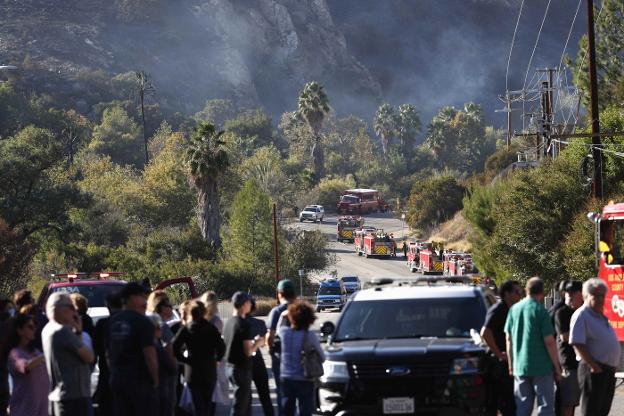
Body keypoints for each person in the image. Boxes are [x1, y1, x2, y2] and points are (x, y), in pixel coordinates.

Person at [504, 277, 562, 416]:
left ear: (526, 290)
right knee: (545, 408)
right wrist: (556, 366)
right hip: (541, 367)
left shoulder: (514, 309)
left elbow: (508, 338)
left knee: (523, 407)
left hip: (520, 366)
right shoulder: (540, 311)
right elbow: (549, 341)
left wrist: (511, 364)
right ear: (542, 293)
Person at [569, 278, 621, 416]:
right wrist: (594, 366)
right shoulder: (582, 315)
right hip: (592, 369)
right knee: (592, 410)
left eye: (602, 296)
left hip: (606, 370)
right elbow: (577, 343)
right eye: (596, 295)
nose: (600, 299)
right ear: (586, 296)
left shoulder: (601, 316)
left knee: (602, 410)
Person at [107, 282, 159, 416]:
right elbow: (150, 355)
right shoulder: (142, 322)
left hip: (117, 379)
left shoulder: (113, 321)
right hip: (139, 383)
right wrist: (155, 379)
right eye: (142, 296)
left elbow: (108, 353)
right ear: (132, 298)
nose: (145, 300)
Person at [41, 292, 95, 416]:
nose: (75, 312)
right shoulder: (63, 331)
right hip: (74, 397)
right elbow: (89, 357)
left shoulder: (47, 329)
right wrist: (79, 332)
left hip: (58, 395)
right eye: (71, 307)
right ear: (59, 309)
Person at [172, 299, 225, 416]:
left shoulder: (186, 329)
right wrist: (217, 360)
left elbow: (174, 347)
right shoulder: (211, 329)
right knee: (207, 404)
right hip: (209, 369)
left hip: (193, 370)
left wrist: (185, 360)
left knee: (198, 405)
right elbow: (222, 347)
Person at [480, 280, 522, 416]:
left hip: (511, 362)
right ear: (506, 294)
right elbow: (485, 332)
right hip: (500, 365)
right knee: (504, 403)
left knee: (511, 403)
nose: (520, 294)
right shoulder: (498, 310)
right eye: (516, 291)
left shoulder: (514, 310)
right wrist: (498, 353)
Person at [278, 300, 325, 416]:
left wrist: (284, 314)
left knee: (287, 410)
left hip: (287, 378)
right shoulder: (310, 336)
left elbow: (279, 326)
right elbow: (322, 357)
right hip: (305, 379)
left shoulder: (284, 333)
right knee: (305, 411)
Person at [223, 291, 265, 416]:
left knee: (245, 406)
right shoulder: (243, 324)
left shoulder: (228, 322)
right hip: (241, 369)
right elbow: (248, 351)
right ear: (242, 305)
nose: (250, 305)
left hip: (230, 367)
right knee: (240, 408)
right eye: (248, 302)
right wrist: (258, 343)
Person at [7, 313, 49, 416]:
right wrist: (46, 355)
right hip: (23, 410)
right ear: (19, 330)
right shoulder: (14, 353)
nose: (34, 329)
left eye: (35, 326)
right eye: (30, 327)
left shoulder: (36, 352)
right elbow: (25, 367)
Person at [266, 279, 296, 415]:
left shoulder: (277, 312)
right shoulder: (300, 310)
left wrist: (270, 349)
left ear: (279, 294)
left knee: (282, 391)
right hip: (299, 356)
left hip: (281, 356)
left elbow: (270, 335)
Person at [553, 281, 583, 416]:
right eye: (567, 293)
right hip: (568, 364)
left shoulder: (583, 312)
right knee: (567, 404)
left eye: (572, 293)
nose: (569, 296)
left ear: (581, 294)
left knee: (575, 402)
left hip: (583, 364)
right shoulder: (561, 312)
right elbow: (565, 337)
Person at [93, 291, 122, 416]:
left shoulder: (102, 324)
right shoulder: (132, 322)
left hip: (106, 373)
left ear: (108, 306)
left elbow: (95, 348)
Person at [200, 291, 230, 410]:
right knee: (211, 393)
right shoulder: (216, 320)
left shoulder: (197, 317)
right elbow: (218, 342)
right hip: (211, 358)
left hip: (198, 357)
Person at [248, 298, 275, 416]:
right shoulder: (259, 323)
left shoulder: (234, 323)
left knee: (245, 399)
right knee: (265, 396)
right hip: (257, 360)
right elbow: (263, 343)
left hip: (241, 362)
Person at [148, 314, 177, 416]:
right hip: (161, 384)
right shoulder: (155, 345)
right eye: (158, 327)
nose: (160, 330)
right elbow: (170, 365)